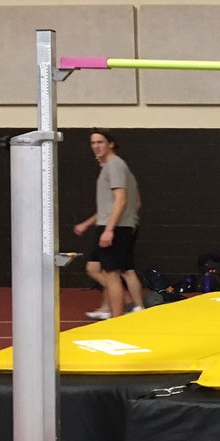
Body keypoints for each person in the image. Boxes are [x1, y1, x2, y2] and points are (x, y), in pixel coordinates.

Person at [72, 130, 145, 319]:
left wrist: (110, 229)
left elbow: (121, 200)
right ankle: (112, 307)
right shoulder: (111, 167)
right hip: (111, 225)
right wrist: (88, 223)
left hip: (115, 227)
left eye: (100, 142)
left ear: (110, 144)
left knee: (113, 274)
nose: (96, 146)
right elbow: (129, 202)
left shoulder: (115, 166)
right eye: (93, 143)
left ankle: (120, 315)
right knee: (98, 268)